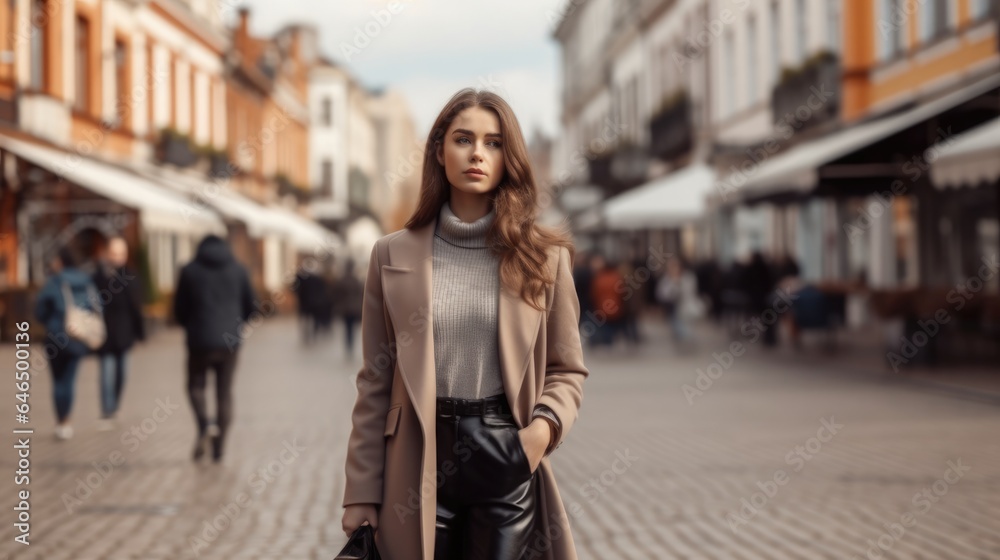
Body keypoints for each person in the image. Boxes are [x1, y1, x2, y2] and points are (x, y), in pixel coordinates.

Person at [341, 88, 589, 560]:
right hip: (416, 458)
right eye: (463, 139)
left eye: (494, 143)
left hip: (503, 451)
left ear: (508, 157)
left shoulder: (543, 256)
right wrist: (359, 492)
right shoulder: (390, 254)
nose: (477, 153)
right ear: (439, 150)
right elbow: (375, 381)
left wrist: (538, 436)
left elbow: (567, 368)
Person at [173, 235, 256, 463]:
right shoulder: (239, 269)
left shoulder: (189, 270)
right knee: (224, 393)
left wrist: (190, 325)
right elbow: (252, 306)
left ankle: (205, 424)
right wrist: (237, 324)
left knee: (195, 385)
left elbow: (179, 308)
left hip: (199, 339)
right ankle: (219, 448)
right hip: (230, 342)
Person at [35, 246, 101, 440]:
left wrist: (49, 321)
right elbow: (97, 305)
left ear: (61, 261)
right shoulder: (86, 281)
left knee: (57, 381)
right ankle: (67, 421)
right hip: (77, 337)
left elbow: (40, 309)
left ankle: (61, 421)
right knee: (69, 380)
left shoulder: (55, 282)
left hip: (56, 336)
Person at [92, 236, 146, 431]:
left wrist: (140, 333)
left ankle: (114, 405)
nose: (117, 257)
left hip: (125, 335)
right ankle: (107, 411)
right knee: (106, 374)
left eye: (121, 254)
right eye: (114, 253)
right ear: (107, 253)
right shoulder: (98, 277)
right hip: (105, 336)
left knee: (122, 374)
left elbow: (136, 307)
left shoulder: (131, 276)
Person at [332, 259, 363, 358]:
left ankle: (348, 346)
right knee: (351, 329)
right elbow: (361, 295)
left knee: (347, 328)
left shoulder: (342, 280)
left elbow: (336, 296)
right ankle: (350, 346)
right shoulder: (356, 280)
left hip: (345, 309)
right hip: (354, 309)